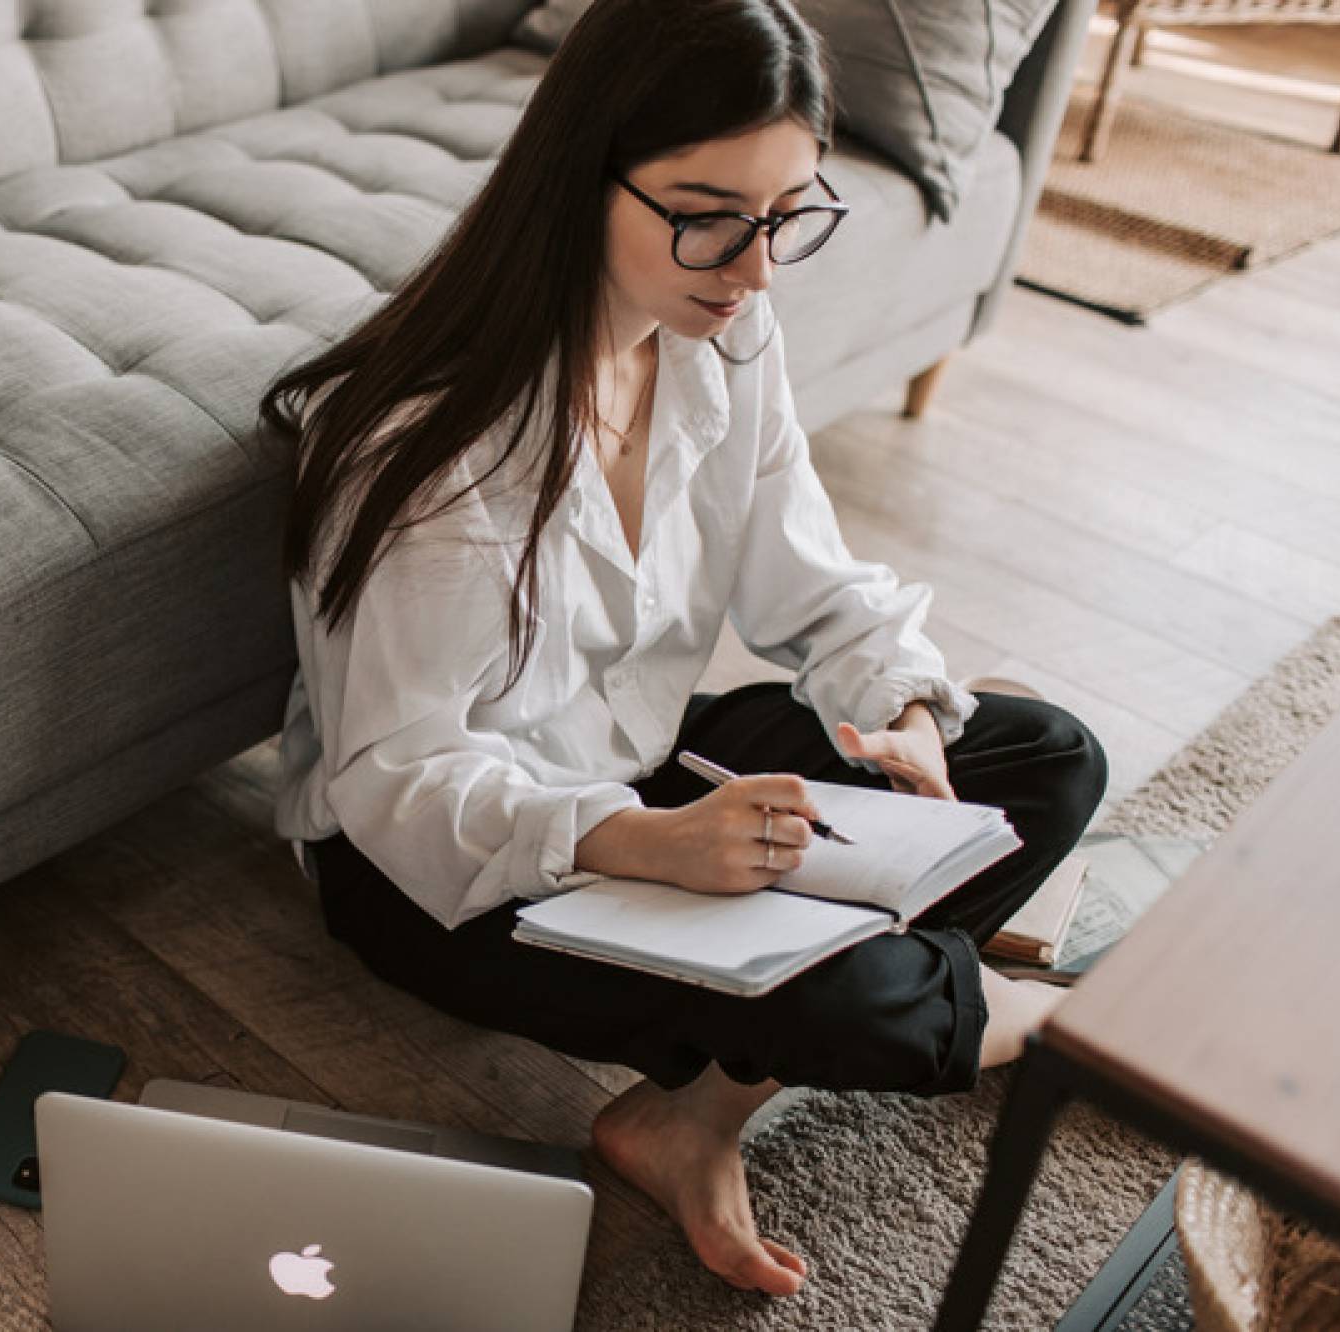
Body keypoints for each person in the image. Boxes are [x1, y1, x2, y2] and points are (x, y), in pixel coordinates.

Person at [256, 0, 1108, 1299]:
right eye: (709, 214)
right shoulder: (432, 451)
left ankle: (694, 1113)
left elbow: (806, 575)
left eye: (785, 215)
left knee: (1042, 756)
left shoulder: (722, 332)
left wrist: (902, 713)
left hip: (644, 765)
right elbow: (397, 780)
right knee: (858, 999)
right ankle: (1029, 1012)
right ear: (581, 175)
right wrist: (646, 847)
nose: (756, 267)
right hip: (455, 870)